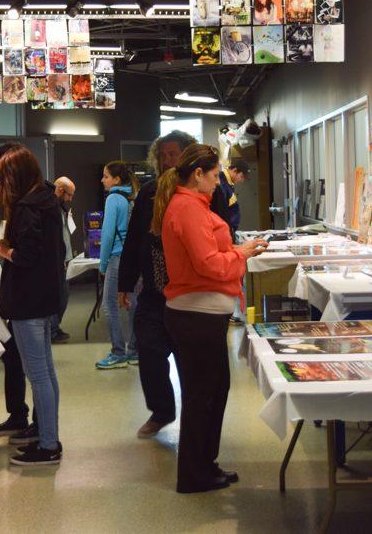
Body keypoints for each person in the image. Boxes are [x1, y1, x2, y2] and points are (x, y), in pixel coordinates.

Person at [152, 144, 267, 493]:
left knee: (214, 391)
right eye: (215, 175)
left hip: (202, 315)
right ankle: (194, 473)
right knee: (203, 395)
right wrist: (240, 256)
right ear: (198, 174)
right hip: (194, 316)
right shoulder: (187, 208)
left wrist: (236, 252)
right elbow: (208, 264)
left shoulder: (194, 205)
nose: (219, 183)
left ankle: (204, 463)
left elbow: (212, 255)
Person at [119, 130, 219, 438]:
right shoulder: (149, 192)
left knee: (191, 362)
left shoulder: (204, 193)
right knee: (148, 352)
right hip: (154, 292)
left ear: (188, 158)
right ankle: (161, 411)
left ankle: (195, 420)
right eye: (162, 155)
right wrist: (124, 283)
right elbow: (134, 241)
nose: (166, 160)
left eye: (173, 154)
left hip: (190, 295)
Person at [0, 145, 65, 466]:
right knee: (46, 373)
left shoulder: (28, 208)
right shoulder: (46, 200)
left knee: (39, 375)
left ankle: (48, 444)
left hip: (28, 300)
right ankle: (47, 435)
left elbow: (26, 256)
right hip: (43, 298)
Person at [95, 161, 138, 370]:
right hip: (133, 257)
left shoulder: (113, 198)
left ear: (116, 179)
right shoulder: (132, 198)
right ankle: (135, 351)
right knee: (133, 304)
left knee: (110, 305)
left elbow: (108, 233)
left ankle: (118, 352)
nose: (102, 180)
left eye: (105, 176)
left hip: (117, 258)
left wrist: (103, 265)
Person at [53, 176, 77, 343]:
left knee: (63, 294)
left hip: (64, 258)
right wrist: (60, 257)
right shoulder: (52, 208)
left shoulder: (60, 207)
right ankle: (53, 330)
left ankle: (55, 328)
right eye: (69, 195)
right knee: (59, 295)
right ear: (60, 190)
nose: (70, 199)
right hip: (58, 260)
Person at [217, 159, 249, 239]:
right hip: (223, 232)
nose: (241, 180)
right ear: (235, 170)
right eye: (241, 177)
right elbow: (221, 213)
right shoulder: (221, 184)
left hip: (229, 231)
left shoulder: (229, 184)